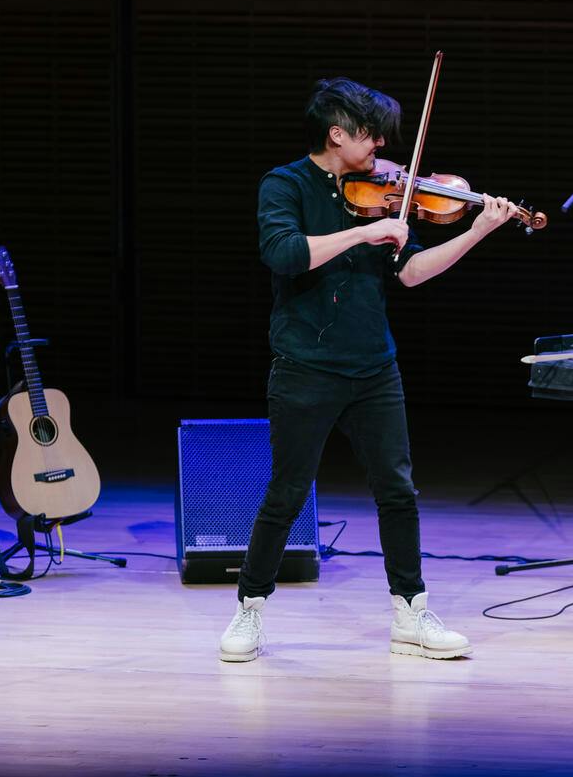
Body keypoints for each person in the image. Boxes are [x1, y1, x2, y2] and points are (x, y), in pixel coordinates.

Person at [219, 77, 517, 663]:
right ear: (336, 134)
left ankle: (410, 612)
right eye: (369, 133)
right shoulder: (284, 185)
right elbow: (282, 254)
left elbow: (408, 272)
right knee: (286, 492)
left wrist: (476, 231)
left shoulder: (383, 193)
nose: (382, 144)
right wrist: (363, 230)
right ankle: (249, 609)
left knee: (398, 491)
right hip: (305, 366)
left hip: (374, 366)